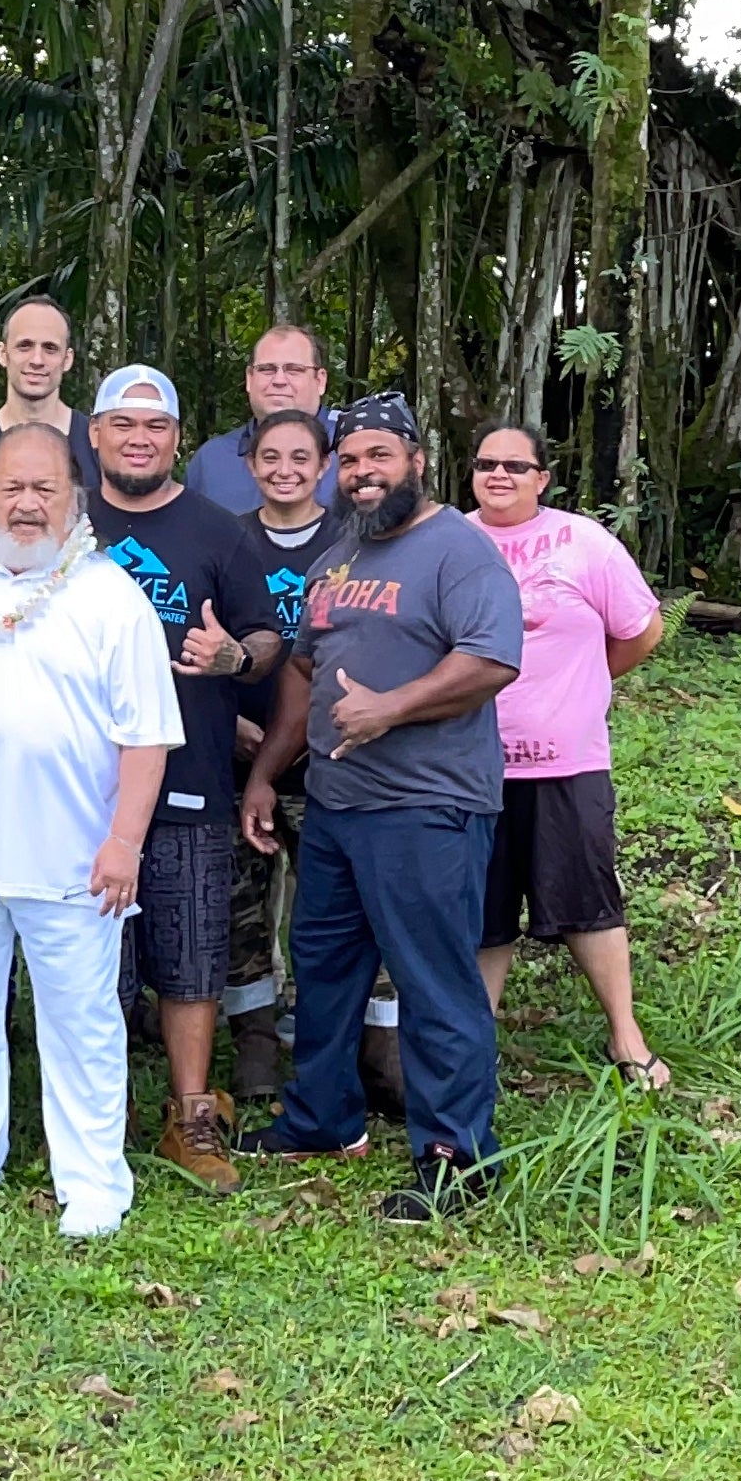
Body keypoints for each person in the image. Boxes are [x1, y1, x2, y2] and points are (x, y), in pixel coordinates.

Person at [237, 392, 522, 1224]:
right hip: (334, 804)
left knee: (435, 980)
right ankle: (322, 1118)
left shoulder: (456, 551)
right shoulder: (341, 553)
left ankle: (455, 1157)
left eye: (378, 457)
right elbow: (301, 669)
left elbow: (490, 659)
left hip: (425, 807)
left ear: (416, 459)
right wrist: (267, 772)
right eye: (351, 460)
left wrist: (390, 707)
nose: (363, 474)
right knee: (323, 969)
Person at [0, 423, 183, 1239]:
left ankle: (94, 1179)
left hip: (73, 853)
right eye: (11, 490)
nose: (26, 506)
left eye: (44, 491)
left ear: (75, 498)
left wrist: (123, 841)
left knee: (82, 1021)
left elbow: (146, 734)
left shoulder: (109, 595)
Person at [84, 366, 280, 1193]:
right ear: (92, 434)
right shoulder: (61, 520)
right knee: (97, 962)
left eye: (155, 426)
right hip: (79, 785)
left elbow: (268, 634)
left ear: (175, 439)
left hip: (191, 772)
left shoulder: (217, 530)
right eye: (122, 424)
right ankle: (97, 1118)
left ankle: (190, 1113)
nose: (139, 438)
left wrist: (233, 658)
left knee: (193, 952)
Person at [466, 422, 667, 1087]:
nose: (498, 475)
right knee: (482, 910)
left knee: (588, 898)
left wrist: (587, 685)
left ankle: (625, 1037)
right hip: (471, 764)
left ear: (541, 478)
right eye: (486, 463)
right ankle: (472, 1049)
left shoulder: (584, 541)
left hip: (567, 761)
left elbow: (640, 629)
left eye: (515, 466)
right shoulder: (450, 541)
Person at [219, 409, 391, 1104]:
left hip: (336, 761)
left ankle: (371, 1048)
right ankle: (254, 1045)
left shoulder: (357, 541)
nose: (285, 469)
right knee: (240, 912)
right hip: (238, 754)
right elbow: (194, 638)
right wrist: (229, 723)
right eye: (270, 456)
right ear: (250, 463)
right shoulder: (224, 539)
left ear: (324, 465)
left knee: (340, 912)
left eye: (301, 456)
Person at [185, 325, 340, 516]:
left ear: (320, 380)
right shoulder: (212, 461)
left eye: (294, 370)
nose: (279, 380)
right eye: (267, 369)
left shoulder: (353, 453)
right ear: (249, 378)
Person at [0, 298, 102, 489]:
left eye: (50, 348)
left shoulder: (97, 444)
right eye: (24, 346)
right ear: (3, 354)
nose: (37, 360)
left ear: (67, 359)